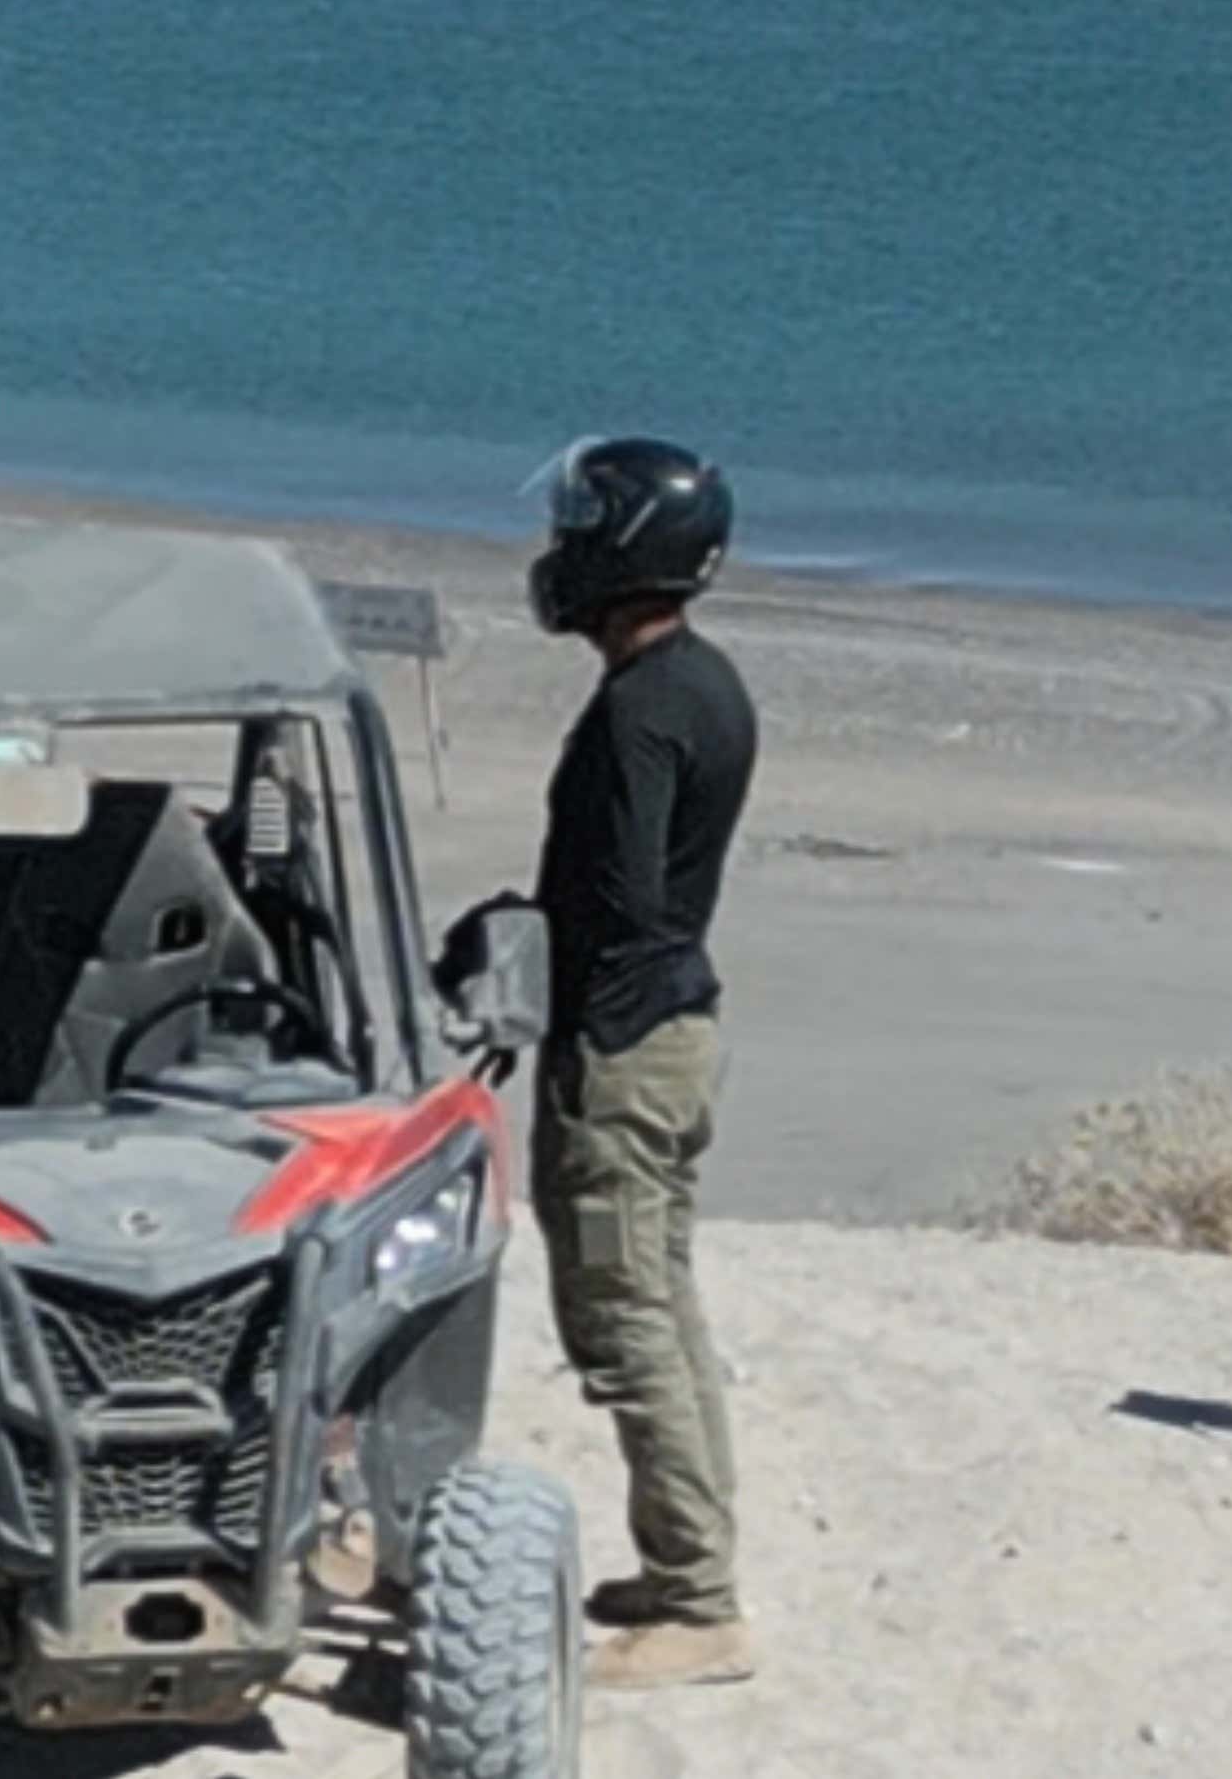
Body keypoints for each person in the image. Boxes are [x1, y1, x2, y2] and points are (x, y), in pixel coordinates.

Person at [513, 435, 764, 1690]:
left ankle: (703, 1602)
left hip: (621, 1046)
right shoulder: (707, 682)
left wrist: (514, 964)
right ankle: (686, 1569)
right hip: (675, 1030)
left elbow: (613, 897)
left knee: (623, 1318)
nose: (561, 548)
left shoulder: (642, 711)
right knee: (666, 1303)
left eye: (582, 525)